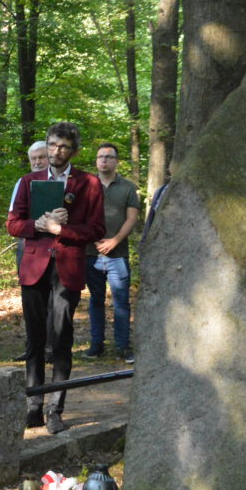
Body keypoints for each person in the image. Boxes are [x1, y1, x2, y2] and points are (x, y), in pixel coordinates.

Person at [6, 121, 105, 434]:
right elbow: (13, 224)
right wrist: (37, 225)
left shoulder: (89, 183)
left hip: (68, 267)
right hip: (34, 267)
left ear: (73, 150)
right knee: (34, 339)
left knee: (61, 338)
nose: (56, 151)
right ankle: (33, 405)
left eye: (63, 146)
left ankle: (55, 409)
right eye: (52, 144)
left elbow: (97, 229)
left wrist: (63, 230)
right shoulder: (29, 181)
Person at [85, 143, 141, 362]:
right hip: (91, 253)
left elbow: (132, 218)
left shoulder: (127, 187)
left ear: (117, 161)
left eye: (109, 157)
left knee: (121, 302)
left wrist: (114, 241)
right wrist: (94, 239)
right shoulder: (86, 186)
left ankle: (123, 346)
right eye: (101, 157)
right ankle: (96, 345)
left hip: (118, 255)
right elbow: (79, 217)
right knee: (95, 300)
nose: (104, 160)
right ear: (96, 161)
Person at [12, 140, 49, 362]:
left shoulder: (62, 182)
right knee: (30, 298)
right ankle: (33, 346)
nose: (37, 162)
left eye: (41, 157)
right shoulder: (23, 183)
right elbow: (14, 218)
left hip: (55, 246)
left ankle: (52, 347)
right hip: (27, 243)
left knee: (54, 300)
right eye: (33, 158)